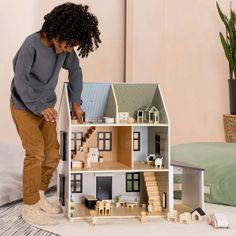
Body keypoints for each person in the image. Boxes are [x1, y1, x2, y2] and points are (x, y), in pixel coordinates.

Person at [10, 2, 101, 226]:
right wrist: (38, 105)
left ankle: (39, 195)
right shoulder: (31, 45)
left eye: (72, 47)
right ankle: (29, 206)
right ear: (57, 31)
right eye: (67, 44)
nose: (68, 50)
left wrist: (76, 102)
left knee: (52, 154)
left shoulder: (63, 50)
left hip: (46, 110)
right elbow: (20, 81)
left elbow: (76, 71)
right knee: (35, 153)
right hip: (24, 106)